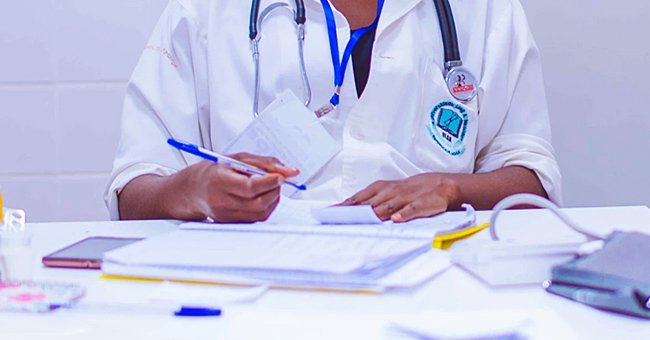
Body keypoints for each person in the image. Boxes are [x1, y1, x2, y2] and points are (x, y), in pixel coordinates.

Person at [105, 0, 562, 223]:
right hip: (248, 292)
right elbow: (133, 190)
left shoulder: (480, 8)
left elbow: (531, 179)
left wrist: (448, 187)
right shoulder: (206, 10)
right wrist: (193, 190)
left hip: (435, 285)